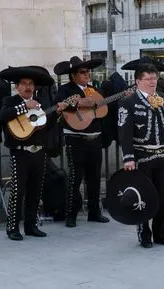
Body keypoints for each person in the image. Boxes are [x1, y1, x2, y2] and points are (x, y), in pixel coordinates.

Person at [0, 66, 69, 241]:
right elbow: (3, 116)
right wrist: (24, 106)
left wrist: (57, 113)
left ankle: (31, 226)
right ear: (17, 87)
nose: (28, 87)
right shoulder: (10, 101)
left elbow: (46, 126)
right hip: (20, 153)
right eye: (24, 84)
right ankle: (12, 228)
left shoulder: (40, 103)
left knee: (35, 191)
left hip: (38, 152)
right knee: (18, 191)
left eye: (31, 84)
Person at [117, 63, 164, 248]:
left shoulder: (162, 98)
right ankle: (144, 233)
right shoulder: (128, 102)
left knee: (163, 196)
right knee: (144, 197)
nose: (153, 82)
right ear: (138, 81)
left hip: (162, 154)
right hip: (141, 156)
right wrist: (128, 157)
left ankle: (161, 233)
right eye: (149, 79)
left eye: (155, 78)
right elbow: (124, 132)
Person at [53, 56, 110, 228]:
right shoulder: (65, 89)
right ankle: (71, 214)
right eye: (83, 72)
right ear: (73, 75)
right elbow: (58, 105)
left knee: (94, 177)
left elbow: (102, 108)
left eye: (88, 71)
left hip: (95, 138)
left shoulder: (94, 90)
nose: (87, 75)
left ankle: (94, 212)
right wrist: (79, 103)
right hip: (75, 138)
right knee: (75, 178)